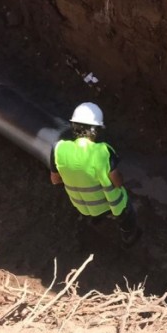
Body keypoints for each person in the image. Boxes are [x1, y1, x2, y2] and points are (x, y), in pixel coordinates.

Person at [50, 102, 142, 248]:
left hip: (83, 206)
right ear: (94, 130)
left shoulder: (58, 149)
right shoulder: (102, 151)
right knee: (127, 214)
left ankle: (96, 219)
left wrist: (78, 177)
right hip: (110, 205)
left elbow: (55, 180)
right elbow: (117, 182)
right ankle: (129, 237)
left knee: (95, 212)